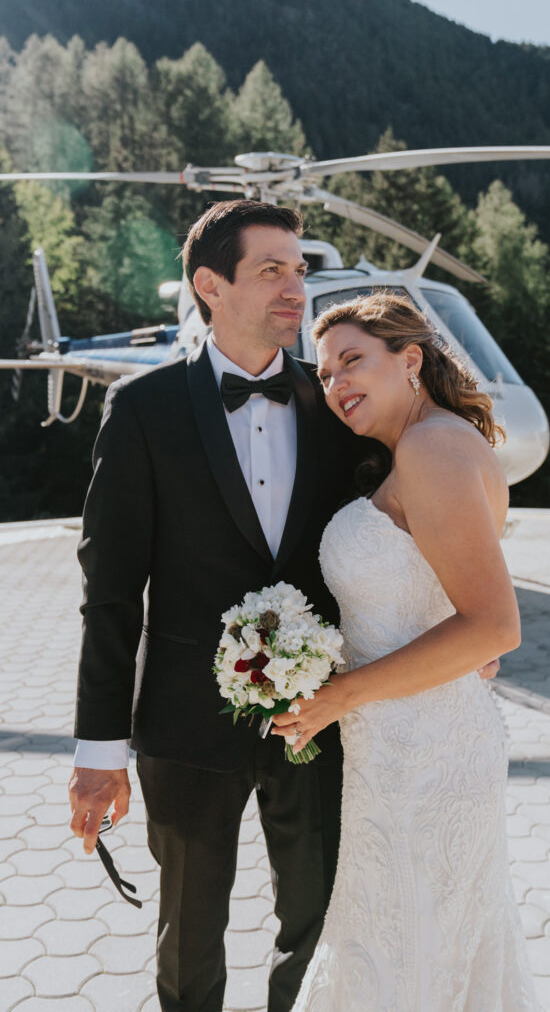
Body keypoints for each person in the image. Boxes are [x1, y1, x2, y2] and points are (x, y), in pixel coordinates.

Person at [67, 200, 371, 1012]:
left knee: (314, 920)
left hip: (318, 719)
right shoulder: (141, 410)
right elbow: (109, 589)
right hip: (182, 723)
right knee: (188, 934)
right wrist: (100, 748)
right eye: (270, 270)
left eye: (299, 270)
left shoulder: (338, 405)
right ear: (210, 284)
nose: (294, 289)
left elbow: (402, 524)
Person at [272, 292, 539, 1011]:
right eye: (325, 375)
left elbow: (492, 626)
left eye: (351, 361)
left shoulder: (432, 447)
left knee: (411, 954)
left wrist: (337, 697)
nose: (335, 386)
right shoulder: (427, 448)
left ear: (410, 359)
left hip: (425, 759)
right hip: (399, 749)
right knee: (409, 948)